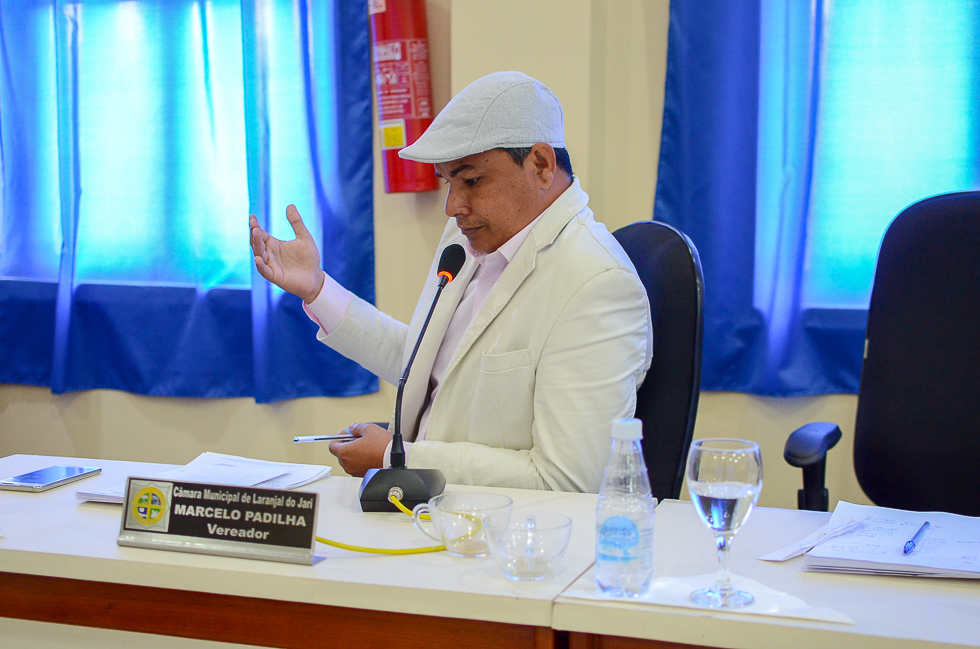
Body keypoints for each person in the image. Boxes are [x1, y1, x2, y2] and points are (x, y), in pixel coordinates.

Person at [249, 71, 652, 492]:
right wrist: (317, 288)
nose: (453, 206)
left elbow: (567, 481)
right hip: (424, 507)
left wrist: (398, 457)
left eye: (472, 181)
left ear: (541, 165)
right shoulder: (468, 238)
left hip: (501, 525)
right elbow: (422, 364)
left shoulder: (597, 283)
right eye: (448, 182)